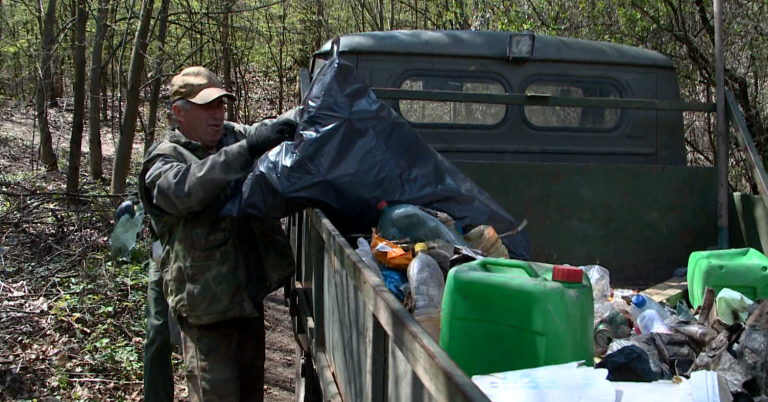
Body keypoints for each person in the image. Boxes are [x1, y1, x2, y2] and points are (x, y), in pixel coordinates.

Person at [138, 66, 297, 402]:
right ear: (179, 112)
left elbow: (263, 131)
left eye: (221, 106)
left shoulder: (231, 136)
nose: (217, 114)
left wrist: (304, 114)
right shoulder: (164, 161)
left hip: (247, 307)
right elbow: (188, 189)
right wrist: (249, 149)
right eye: (207, 106)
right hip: (207, 318)